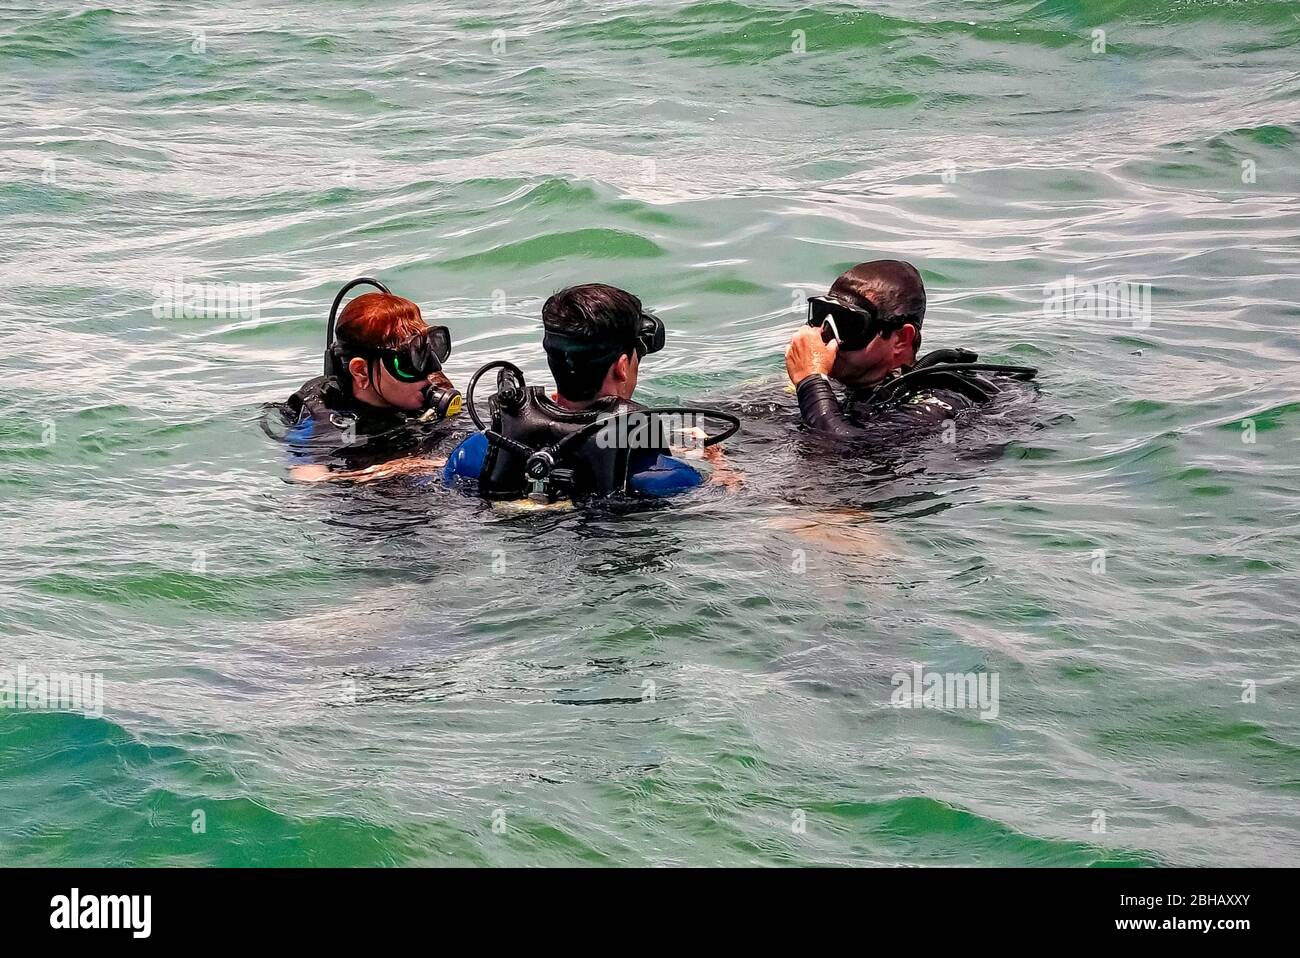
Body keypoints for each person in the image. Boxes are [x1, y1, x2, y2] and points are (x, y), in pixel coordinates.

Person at [444, 283, 738, 504]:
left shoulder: (476, 454)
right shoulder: (668, 479)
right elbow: (732, 498)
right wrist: (717, 462)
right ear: (622, 366)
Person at [784, 260, 1035, 441]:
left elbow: (848, 446)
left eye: (848, 325)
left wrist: (811, 381)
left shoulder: (941, 403)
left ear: (902, 339)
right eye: (822, 317)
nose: (827, 337)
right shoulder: (831, 387)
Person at [261, 277, 464, 482]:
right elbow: (307, 480)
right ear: (360, 371)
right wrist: (400, 468)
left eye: (427, 351)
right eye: (408, 361)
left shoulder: (430, 394)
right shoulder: (322, 416)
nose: (431, 369)